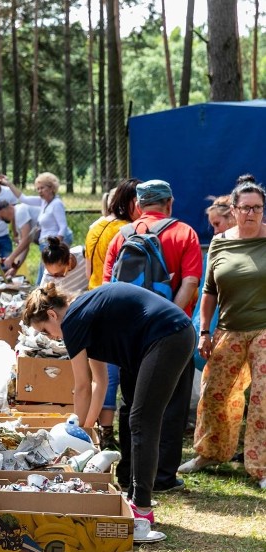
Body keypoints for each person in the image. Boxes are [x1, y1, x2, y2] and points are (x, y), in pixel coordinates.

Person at [21, 282, 196, 523]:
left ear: (52, 314)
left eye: (44, 330)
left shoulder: (72, 320)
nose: (49, 336)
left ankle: (142, 511)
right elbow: (99, 383)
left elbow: (81, 386)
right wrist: (85, 432)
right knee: (135, 416)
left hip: (168, 334)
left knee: (143, 420)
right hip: (167, 336)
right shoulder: (83, 317)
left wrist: (75, 434)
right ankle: (135, 497)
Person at [103, 179, 202, 493]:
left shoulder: (121, 236)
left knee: (132, 403)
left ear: (137, 206)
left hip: (129, 334)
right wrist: (167, 319)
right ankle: (162, 478)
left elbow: (108, 289)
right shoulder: (185, 233)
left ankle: (129, 473)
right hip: (172, 333)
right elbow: (189, 284)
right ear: (169, 203)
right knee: (171, 405)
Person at [179, 180, 266, 490]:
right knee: (215, 392)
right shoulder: (220, 242)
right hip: (228, 328)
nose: (252, 213)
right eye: (246, 208)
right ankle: (210, 452)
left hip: (264, 329)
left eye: (258, 207)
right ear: (234, 209)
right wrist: (204, 331)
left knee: (263, 396)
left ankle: (261, 466)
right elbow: (209, 289)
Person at [82, 178, 139, 451]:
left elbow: (87, 269)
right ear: (130, 202)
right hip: (113, 305)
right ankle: (107, 435)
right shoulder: (127, 230)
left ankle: (102, 430)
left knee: (101, 372)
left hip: (93, 298)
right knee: (112, 374)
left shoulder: (96, 226)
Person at [4, 171, 72, 284]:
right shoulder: (44, 202)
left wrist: (56, 245)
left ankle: (41, 296)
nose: (39, 191)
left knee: (45, 276)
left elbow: (63, 227)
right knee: (45, 274)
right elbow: (23, 198)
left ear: (51, 188)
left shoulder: (56, 204)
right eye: (38, 188)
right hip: (44, 244)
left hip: (52, 244)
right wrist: (9, 184)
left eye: (42, 188)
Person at [0, 199, 40, 276]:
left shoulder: (20, 212)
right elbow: (25, 247)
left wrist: (11, 258)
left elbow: (26, 239)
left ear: (5, 209)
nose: (0, 219)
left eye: (0, 215)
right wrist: (15, 268)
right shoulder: (18, 218)